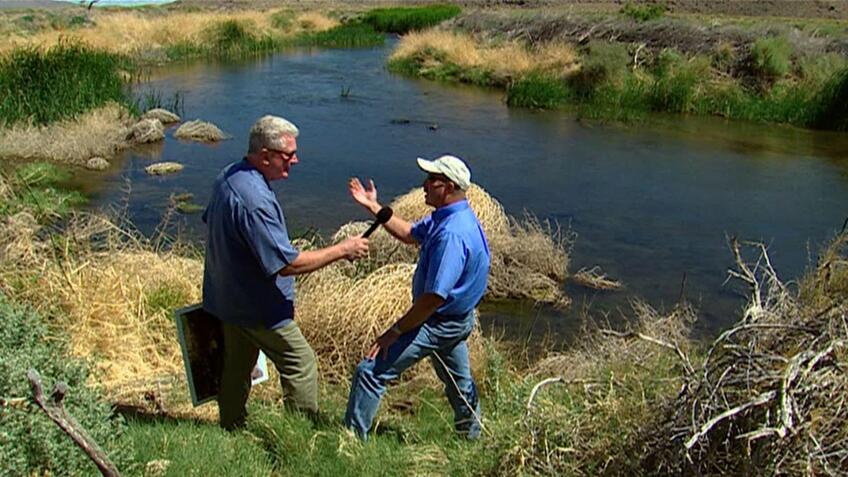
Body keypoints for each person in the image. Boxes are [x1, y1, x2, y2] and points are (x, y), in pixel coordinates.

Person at [202, 115, 369, 430]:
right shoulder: (255, 201)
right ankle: (300, 436)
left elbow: (213, 225)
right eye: (288, 154)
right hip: (258, 307)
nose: (296, 159)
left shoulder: (228, 176)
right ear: (265, 155)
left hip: (225, 298)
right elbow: (287, 264)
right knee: (301, 364)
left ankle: (231, 426)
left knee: (237, 367)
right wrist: (342, 250)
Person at [344, 154, 490, 440]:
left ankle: (349, 442)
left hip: (438, 322)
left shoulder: (452, 234)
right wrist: (374, 206)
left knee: (370, 371)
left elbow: (432, 298)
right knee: (459, 386)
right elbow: (410, 233)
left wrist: (395, 331)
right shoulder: (451, 216)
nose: (424, 184)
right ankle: (472, 438)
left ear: (447, 187)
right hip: (456, 321)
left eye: (431, 180)